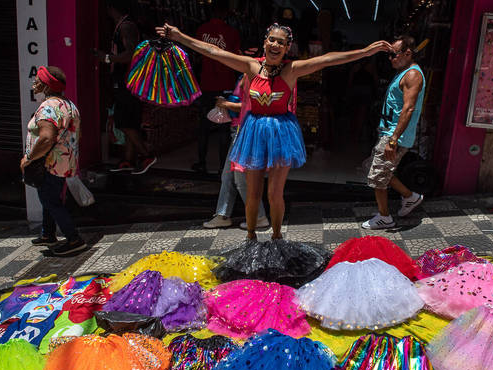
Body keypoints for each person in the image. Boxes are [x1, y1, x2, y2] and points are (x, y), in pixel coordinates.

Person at [156, 22, 392, 240]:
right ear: (265, 42)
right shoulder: (250, 66)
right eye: (272, 40)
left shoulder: (292, 70)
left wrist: (365, 52)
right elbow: (213, 51)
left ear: (288, 47)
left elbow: (328, 59)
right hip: (253, 132)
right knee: (252, 194)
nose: (276, 45)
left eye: (281, 42)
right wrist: (179, 37)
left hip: (281, 133)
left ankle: (277, 237)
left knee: (274, 194)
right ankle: (250, 237)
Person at [20, 66, 87, 256]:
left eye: (38, 80)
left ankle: (74, 239)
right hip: (63, 162)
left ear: (46, 85)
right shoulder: (68, 105)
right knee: (49, 197)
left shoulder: (49, 107)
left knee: (49, 199)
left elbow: (47, 137)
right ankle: (47, 234)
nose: (34, 83)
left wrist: (29, 158)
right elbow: (78, 135)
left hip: (50, 162)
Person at [362, 35, 425, 230]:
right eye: (389, 55)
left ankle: (384, 217)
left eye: (393, 54)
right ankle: (410, 196)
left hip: (394, 135)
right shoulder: (403, 72)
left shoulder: (413, 75)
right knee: (373, 169)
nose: (390, 59)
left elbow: (408, 109)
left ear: (408, 53)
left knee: (379, 177)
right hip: (388, 133)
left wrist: (393, 139)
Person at [203, 75, 269, 229]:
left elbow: (253, 105)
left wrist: (225, 104)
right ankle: (222, 215)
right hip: (238, 130)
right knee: (228, 176)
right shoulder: (243, 75)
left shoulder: (256, 77)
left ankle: (259, 216)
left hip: (245, 131)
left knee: (241, 178)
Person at [100, 0, 156, 175]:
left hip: (127, 82)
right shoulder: (127, 25)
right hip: (129, 82)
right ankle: (128, 160)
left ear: (111, 7)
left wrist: (107, 58)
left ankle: (146, 155)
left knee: (122, 121)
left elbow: (131, 54)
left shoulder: (126, 27)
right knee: (130, 121)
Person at [192, 0, 241, 174]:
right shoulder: (232, 33)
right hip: (226, 84)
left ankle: (202, 163)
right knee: (223, 127)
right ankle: (222, 167)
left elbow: (196, 57)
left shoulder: (201, 30)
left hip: (207, 84)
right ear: (226, 13)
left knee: (204, 126)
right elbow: (237, 59)